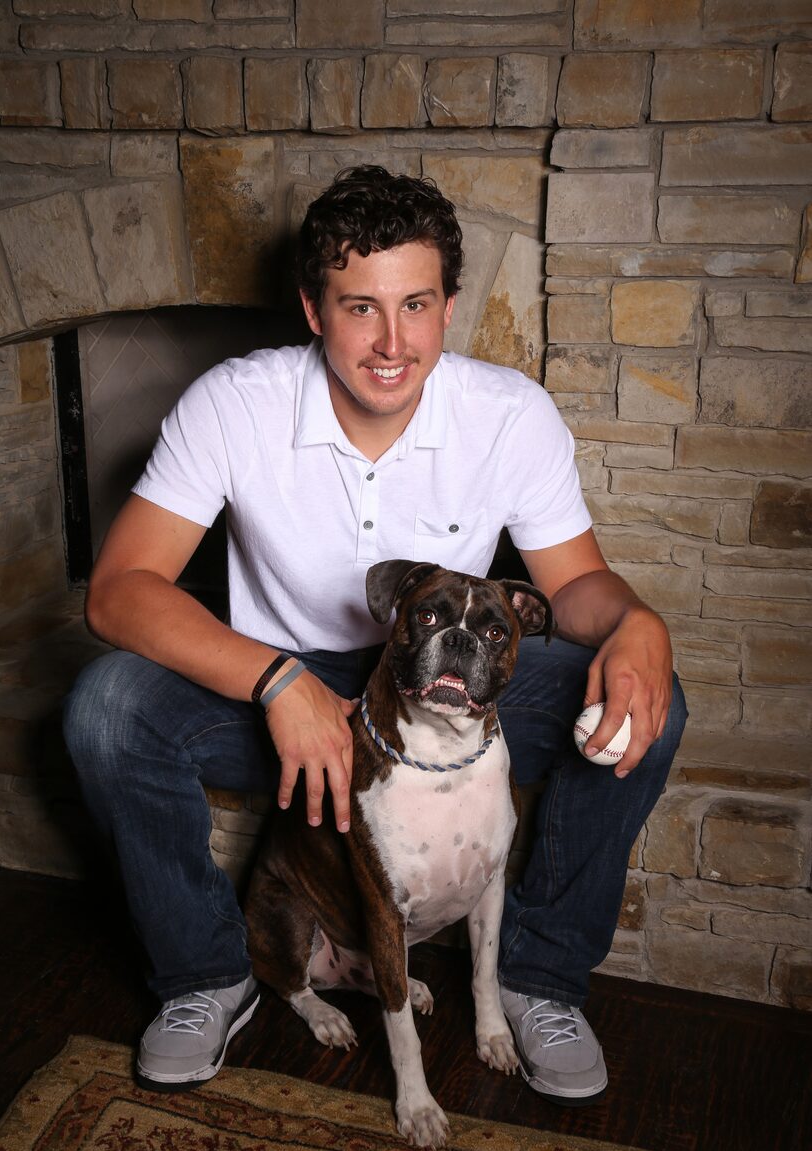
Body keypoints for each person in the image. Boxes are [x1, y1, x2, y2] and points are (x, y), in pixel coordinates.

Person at [64, 165, 686, 1102]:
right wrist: (277, 681)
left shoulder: (509, 415)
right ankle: (206, 975)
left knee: (651, 707)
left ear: (448, 307)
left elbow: (577, 584)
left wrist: (639, 623)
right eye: (361, 307)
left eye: (417, 305)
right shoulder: (235, 402)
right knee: (104, 709)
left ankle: (535, 980)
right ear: (314, 310)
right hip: (274, 685)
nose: (392, 343)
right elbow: (116, 593)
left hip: (440, 668)